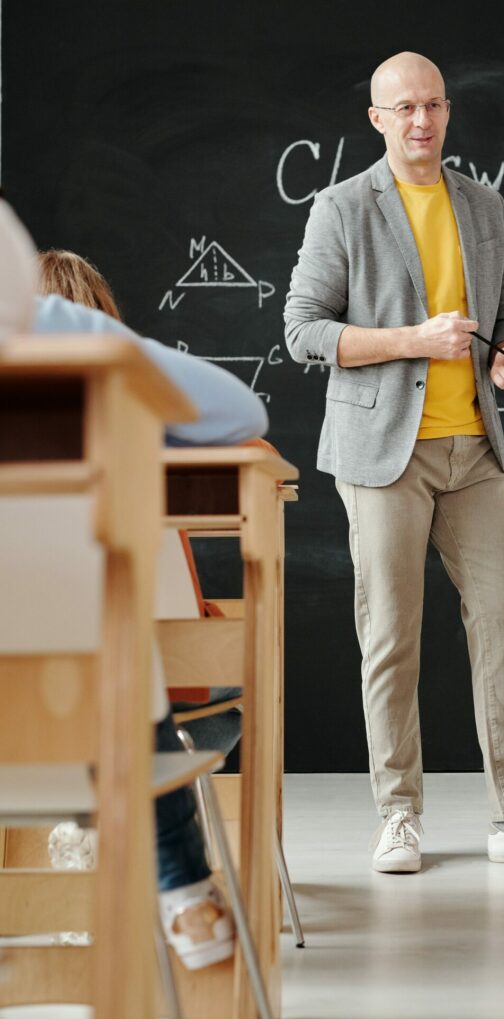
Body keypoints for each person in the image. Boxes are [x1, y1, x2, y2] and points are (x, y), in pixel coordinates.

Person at [284, 52, 504, 873]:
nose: (421, 121)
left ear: (448, 112)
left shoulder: (485, 205)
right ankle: (398, 812)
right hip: (382, 452)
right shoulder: (341, 207)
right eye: (404, 108)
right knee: (390, 635)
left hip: (476, 451)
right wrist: (411, 341)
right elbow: (304, 331)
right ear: (377, 120)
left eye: (432, 106)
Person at [1, 198, 267, 968]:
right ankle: (181, 887)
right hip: (93, 696)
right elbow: (239, 412)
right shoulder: (59, 331)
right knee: (111, 636)